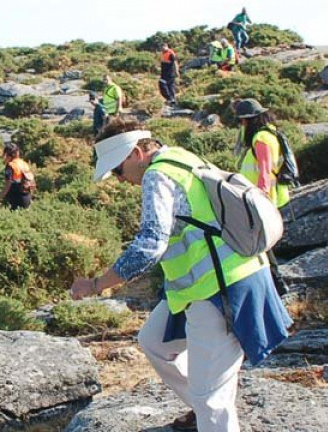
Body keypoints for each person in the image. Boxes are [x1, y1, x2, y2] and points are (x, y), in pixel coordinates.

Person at [70, 117, 292, 432]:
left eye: (117, 170)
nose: (119, 180)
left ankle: (208, 414)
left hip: (221, 288)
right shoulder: (179, 157)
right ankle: (201, 411)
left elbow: (149, 246)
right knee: (154, 342)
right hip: (206, 286)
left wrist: (95, 285)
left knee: (210, 396)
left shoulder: (157, 176)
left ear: (135, 153)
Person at [234, 98, 291, 296]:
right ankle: (276, 284)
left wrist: (261, 198)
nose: (241, 126)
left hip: (261, 199)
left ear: (248, 120)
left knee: (261, 244)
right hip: (261, 198)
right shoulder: (267, 133)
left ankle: (278, 284)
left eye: (241, 121)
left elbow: (265, 171)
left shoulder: (261, 138)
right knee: (261, 244)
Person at [0, 143, 34, 210]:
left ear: (8, 154)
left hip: (16, 199)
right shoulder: (23, 163)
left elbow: (8, 184)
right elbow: (30, 181)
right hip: (26, 197)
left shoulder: (10, 166)